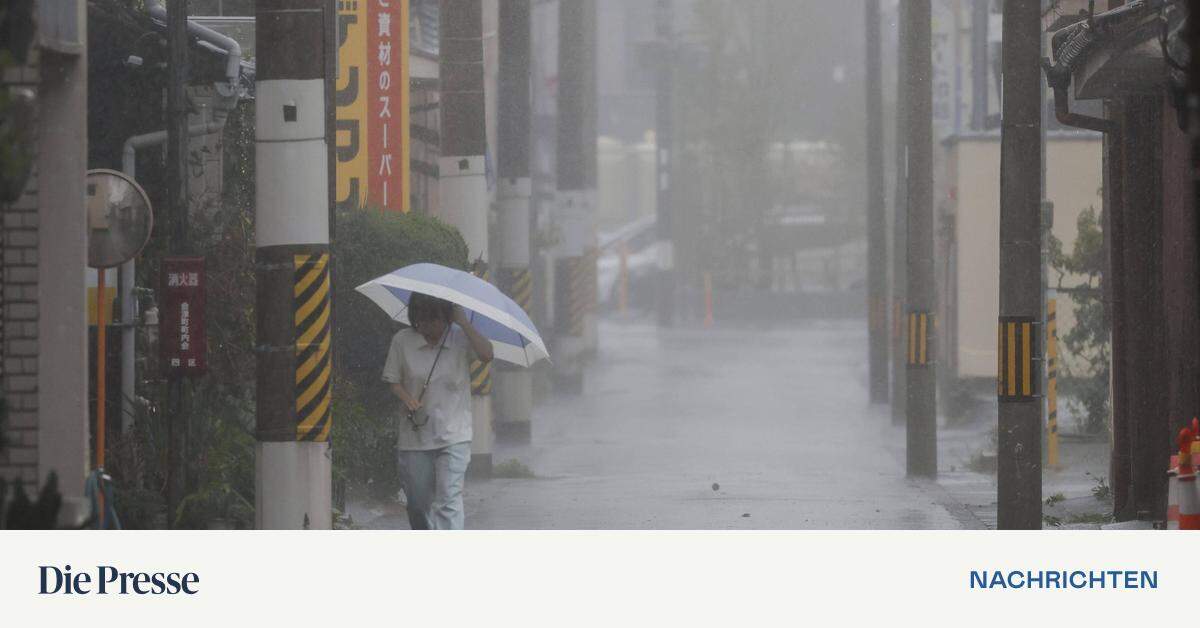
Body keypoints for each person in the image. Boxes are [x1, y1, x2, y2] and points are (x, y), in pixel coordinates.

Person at [381, 293, 493, 530]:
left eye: (434, 320)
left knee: (448, 501)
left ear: (446, 318)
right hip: (415, 438)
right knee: (418, 504)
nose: (427, 327)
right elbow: (392, 381)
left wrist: (463, 322)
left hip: (454, 435)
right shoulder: (402, 341)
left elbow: (486, 354)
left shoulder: (460, 338)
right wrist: (407, 399)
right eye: (421, 320)